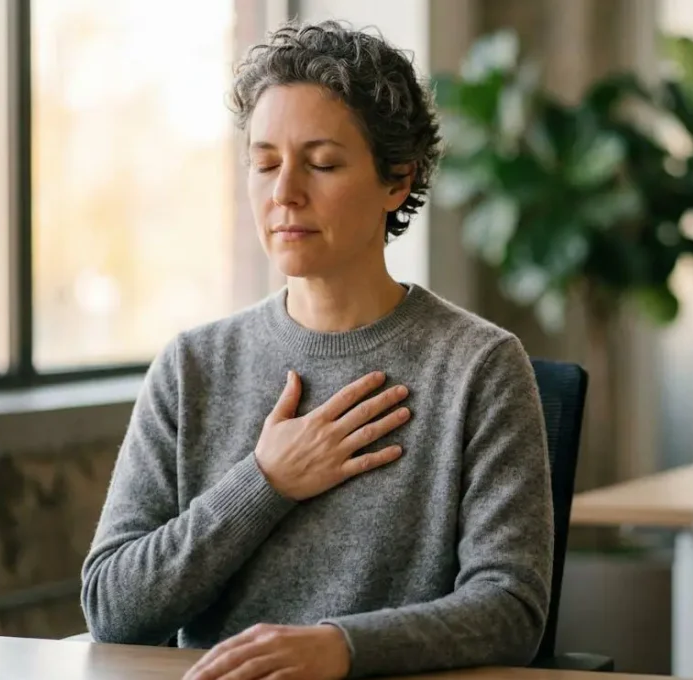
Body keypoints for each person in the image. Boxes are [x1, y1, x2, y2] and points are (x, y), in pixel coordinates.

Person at [80, 20, 554, 680]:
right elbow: (112, 608)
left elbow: (511, 609)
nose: (284, 194)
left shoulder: (479, 365)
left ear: (397, 180)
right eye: (265, 163)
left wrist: (341, 647)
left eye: (323, 163)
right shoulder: (192, 367)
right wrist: (263, 482)